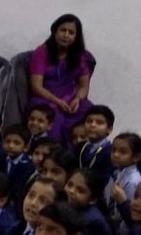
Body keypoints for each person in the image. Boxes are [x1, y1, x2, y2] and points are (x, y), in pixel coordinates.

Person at [29, 14, 96, 145]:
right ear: (55, 31)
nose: (66, 35)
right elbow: (36, 87)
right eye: (63, 30)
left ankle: (84, 152)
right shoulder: (41, 52)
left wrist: (77, 99)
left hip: (70, 98)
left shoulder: (80, 55)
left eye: (71, 32)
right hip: (45, 99)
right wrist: (58, 101)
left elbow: (84, 86)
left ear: (76, 36)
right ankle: (54, 154)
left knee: (90, 111)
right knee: (55, 120)